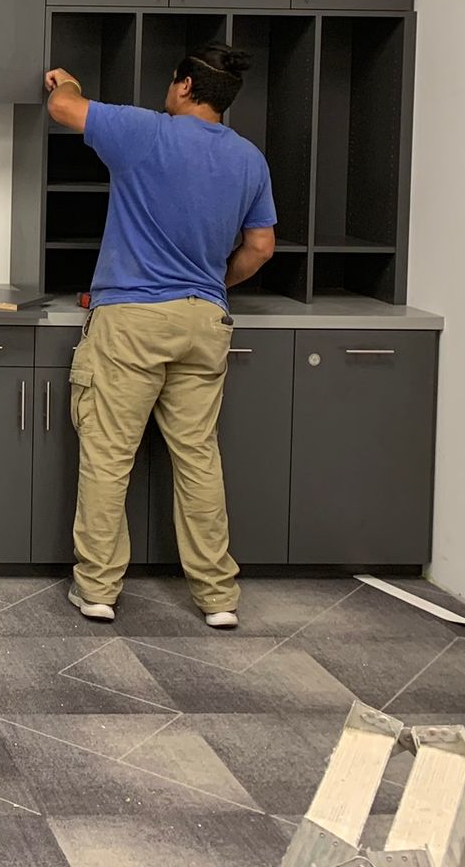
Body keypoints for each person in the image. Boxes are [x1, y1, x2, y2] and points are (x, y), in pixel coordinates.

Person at [43, 44, 277, 630]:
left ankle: (97, 589)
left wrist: (67, 76)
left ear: (183, 87)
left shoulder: (146, 132)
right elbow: (260, 247)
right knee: (198, 458)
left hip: (131, 323)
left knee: (108, 456)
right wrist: (209, 285)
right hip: (204, 322)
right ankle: (218, 597)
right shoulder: (250, 159)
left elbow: (65, 110)